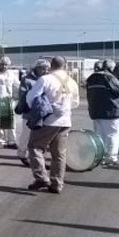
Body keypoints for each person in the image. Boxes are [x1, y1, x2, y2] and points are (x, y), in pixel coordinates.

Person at [26, 56, 80, 194]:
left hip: (48, 121)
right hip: (65, 121)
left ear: (51, 65)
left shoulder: (45, 79)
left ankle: (41, 177)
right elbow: (76, 103)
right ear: (64, 66)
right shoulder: (72, 82)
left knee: (35, 147)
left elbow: (31, 98)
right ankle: (57, 183)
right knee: (59, 153)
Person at [86, 59, 119, 167]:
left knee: (99, 134)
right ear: (110, 68)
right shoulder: (109, 77)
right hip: (110, 110)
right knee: (112, 134)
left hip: (95, 110)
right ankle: (112, 158)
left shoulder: (91, 78)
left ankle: (100, 156)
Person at [15, 59, 50, 166]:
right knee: (26, 135)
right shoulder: (27, 80)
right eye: (42, 68)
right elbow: (23, 95)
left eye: (46, 68)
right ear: (36, 68)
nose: (45, 71)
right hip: (29, 112)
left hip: (42, 112)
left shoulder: (47, 79)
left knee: (40, 136)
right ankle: (22, 154)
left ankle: (39, 157)